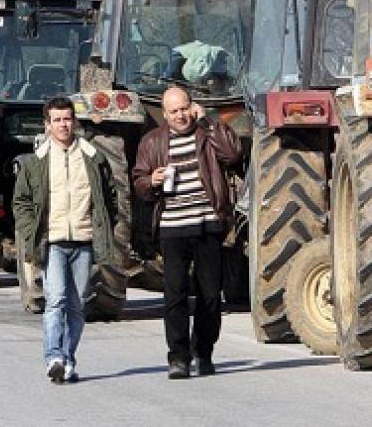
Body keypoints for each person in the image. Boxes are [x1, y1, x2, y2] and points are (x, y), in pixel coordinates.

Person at [131, 86, 242, 379]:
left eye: (184, 109)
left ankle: (203, 352)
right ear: (165, 115)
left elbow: (232, 155)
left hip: (207, 223)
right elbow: (139, 182)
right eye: (174, 111)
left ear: (192, 107)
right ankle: (178, 357)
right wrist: (151, 180)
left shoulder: (207, 133)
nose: (181, 116)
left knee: (209, 296)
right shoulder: (152, 141)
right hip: (172, 227)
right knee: (175, 295)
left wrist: (208, 122)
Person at [13, 96, 118, 384]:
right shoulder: (36, 162)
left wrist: (106, 226)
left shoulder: (93, 158)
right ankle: (54, 357)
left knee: (77, 305)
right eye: (57, 120)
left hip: (84, 241)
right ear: (47, 125)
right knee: (55, 300)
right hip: (54, 242)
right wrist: (30, 229)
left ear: (75, 121)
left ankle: (69, 359)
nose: (63, 124)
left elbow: (110, 196)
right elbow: (20, 201)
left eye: (67, 119)